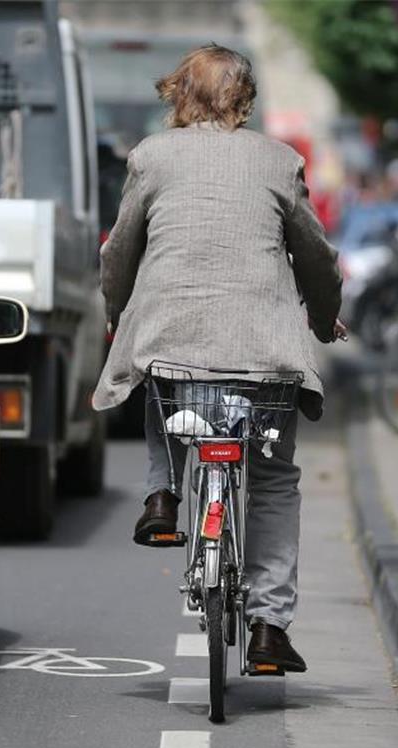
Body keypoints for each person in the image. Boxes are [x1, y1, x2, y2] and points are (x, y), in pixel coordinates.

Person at [91, 45, 345, 674]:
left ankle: (160, 497)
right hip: (265, 351)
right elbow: (315, 257)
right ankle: (267, 628)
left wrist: (120, 311)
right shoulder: (279, 160)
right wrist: (319, 317)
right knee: (276, 477)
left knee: (160, 377)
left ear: (180, 95)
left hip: (173, 338)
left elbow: (120, 249)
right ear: (245, 99)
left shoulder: (150, 158)